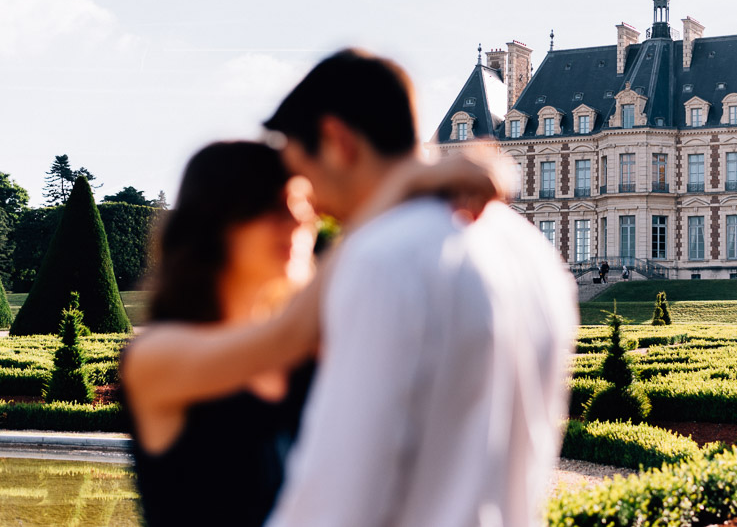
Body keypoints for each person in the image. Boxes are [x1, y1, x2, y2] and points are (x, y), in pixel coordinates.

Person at [263, 49, 579, 527]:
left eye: (301, 174)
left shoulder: (381, 258)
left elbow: (334, 501)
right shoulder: (534, 254)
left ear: (335, 141)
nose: (306, 203)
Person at [120, 141, 503, 527]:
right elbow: (288, 333)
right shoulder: (154, 358)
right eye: (271, 205)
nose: (296, 220)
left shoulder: (307, 353)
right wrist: (409, 182)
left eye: (302, 205)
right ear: (213, 222)